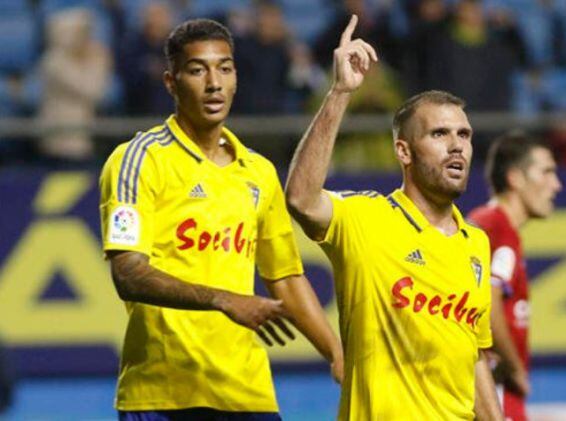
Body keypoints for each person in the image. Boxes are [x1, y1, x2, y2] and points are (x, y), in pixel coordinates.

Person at [98, 19, 342, 419]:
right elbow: (128, 273)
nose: (214, 83)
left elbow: (285, 276)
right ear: (171, 83)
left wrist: (335, 352)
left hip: (247, 394)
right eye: (197, 70)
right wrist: (222, 300)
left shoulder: (259, 172)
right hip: (163, 395)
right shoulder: (139, 160)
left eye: (224, 68)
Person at [285, 15, 503, 421]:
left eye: (464, 135)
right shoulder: (366, 218)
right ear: (403, 152)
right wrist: (340, 93)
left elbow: (473, 354)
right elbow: (301, 198)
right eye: (439, 134)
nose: (456, 146)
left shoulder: (476, 243)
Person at [468, 132, 562, 421]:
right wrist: (514, 368)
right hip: (494, 391)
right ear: (515, 178)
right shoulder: (497, 228)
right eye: (546, 172)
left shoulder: (489, 225)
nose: (556, 185)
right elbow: (489, 301)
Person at [38, 7, 112, 163]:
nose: (85, 39)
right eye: (79, 33)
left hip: (84, 137)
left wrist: (98, 60)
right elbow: (92, 90)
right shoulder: (53, 62)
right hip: (59, 140)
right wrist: (99, 60)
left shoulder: (92, 58)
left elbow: (100, 93)